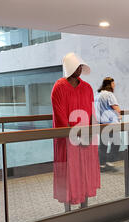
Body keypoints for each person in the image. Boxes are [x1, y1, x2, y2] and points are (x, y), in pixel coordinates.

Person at [51, 53, 100, 211]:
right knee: (69, 171)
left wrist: (91, 133)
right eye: (77, 66)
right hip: (67, 140)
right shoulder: (59, 87)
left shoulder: (87, 88)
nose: (80, 69)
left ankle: (84, 205)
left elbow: (91, 112)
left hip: (86, 138)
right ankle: (67, 209)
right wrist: (73, 136)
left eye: (81, 66)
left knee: (84, 170)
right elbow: (60, 116)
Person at [96, 77, 121, 172]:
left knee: (103, 144)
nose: (114, 86)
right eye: (113, 84)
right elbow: (116, 108)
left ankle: (101, 165)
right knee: (116, 142)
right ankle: (109, 162)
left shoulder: (97, 95)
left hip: (101, 123)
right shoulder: (109, 94)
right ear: (109, 85)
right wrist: (119, 115)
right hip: (111, 123)